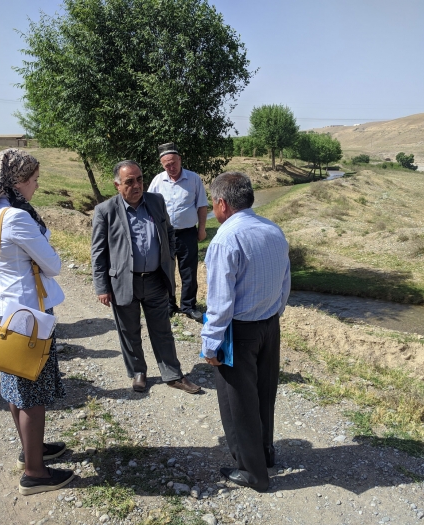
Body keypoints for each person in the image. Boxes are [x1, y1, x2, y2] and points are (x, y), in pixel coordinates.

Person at [0, 149, 74, 496]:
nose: (37, 186)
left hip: (6, 312)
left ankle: (31, 449)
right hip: (28, 317)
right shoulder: (16, 217)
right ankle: (35, 472)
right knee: (32, 394)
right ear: (16, 183)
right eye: (33, 180)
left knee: (16, 388)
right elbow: (54, 264)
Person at [201, 172, 291, 492]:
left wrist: (210, 343)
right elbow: (285, 282)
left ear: (222, 204)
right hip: (269, 324)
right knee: (265, 394)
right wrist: (274, 314)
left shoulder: (225, 240)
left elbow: (220, 302)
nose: (213, 209)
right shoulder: (273, 230)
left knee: (238, 402)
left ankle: (253, 472)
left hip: (238, 331)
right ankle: (265, 454)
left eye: (213, 204)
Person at [91, 160, 201, 394]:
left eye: (140, 179)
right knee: (129, 331)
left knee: (163, 331)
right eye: (129, 181)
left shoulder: (156, 201)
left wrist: (169, 257)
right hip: (124, 281)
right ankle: (138, 372)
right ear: (117, 185)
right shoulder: (105, 211)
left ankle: (173, 374)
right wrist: (102, 287)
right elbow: (98, 252)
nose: (137, 185)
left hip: (156, 279)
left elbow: (169, 232)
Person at [148, 143, 208, 321]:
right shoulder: (158, 181)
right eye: (167, 165)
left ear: (180, 159)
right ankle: (169, 304)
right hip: (164, 234)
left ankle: (188, 306)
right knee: (166, 270)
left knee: (189, 271)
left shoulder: (193, 179)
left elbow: (202, 205)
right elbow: (148, 206)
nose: (171, 167)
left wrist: (202, 229)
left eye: (173, 163)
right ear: (162, 165)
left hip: (188, 233)